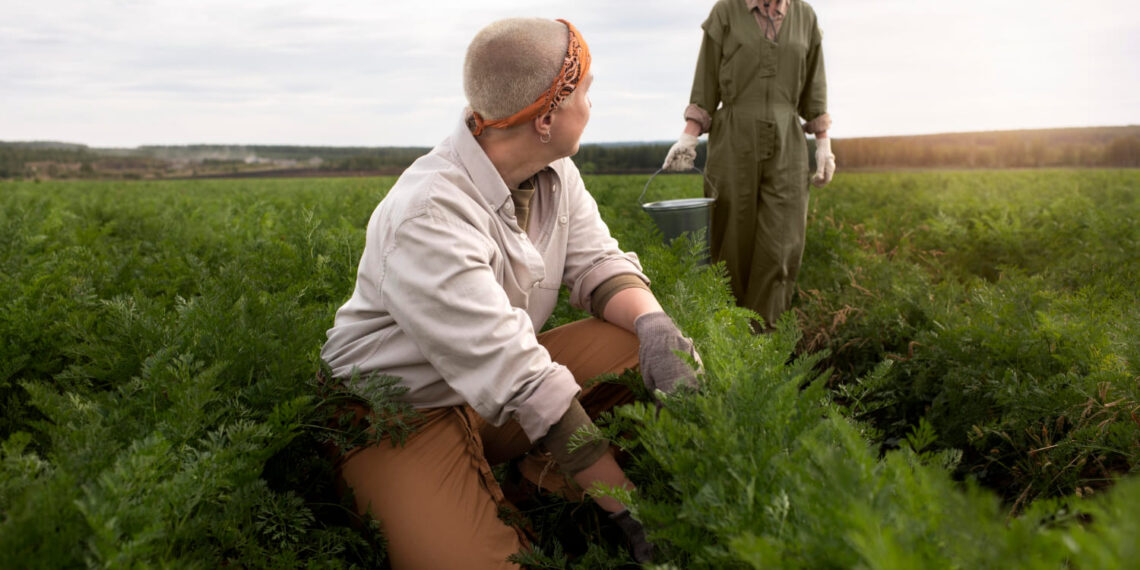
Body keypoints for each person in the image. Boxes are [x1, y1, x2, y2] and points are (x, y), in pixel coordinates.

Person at [320, 17, 700, 569]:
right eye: (585, 91)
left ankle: (538, 481)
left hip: (486, 394)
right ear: (546, 117)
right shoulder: (429, 215)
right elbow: (522, 378)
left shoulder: (553, 169)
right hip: (397, 408)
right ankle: (440, 484)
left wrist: (655, 325)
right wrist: (632, 513)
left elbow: (597, 261)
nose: (592, 104)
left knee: (638, 343)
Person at [662, 0, 836, 332]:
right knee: (731, 241)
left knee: (782, 244)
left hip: (789, 140)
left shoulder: (805, 16)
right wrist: (689, 137)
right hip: (733, 138)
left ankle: (763, 342)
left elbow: (815, 86)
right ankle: (727, 338)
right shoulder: (725, 12)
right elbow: (706, 81)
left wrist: (824, 143)